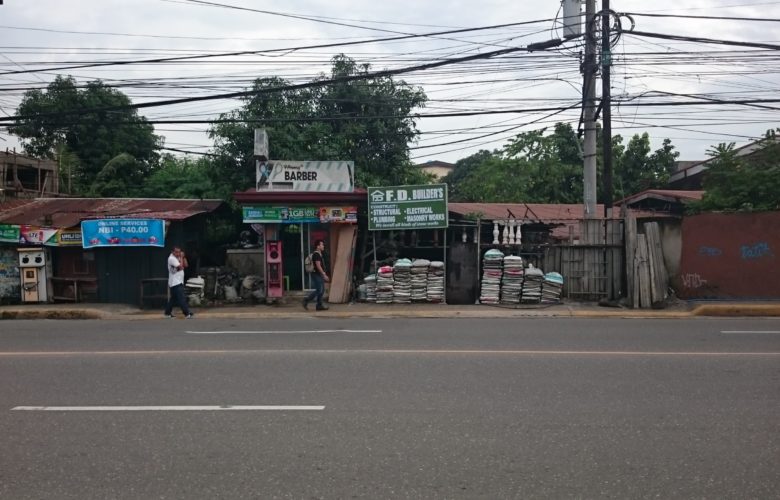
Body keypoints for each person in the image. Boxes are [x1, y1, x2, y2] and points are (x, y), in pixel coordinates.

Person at [164, 246, 193, 318]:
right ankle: (187, 313)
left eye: (179, 252)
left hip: (178, 281)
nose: (178, 253)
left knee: (173, 299)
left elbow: (186, 265)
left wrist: (183, 257)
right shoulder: (171, 258)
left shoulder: (178, 258)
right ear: (172, 252)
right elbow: (181, 267)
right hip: (175, 282)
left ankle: (167, 313)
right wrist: (181, 258)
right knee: (181, 298)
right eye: (176, 252)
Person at [303, 239, 329, 311]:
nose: (323, 246)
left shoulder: (319, 254)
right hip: (316, 274)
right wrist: (324, 274)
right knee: (319, 290)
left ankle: (319, 305)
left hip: (318, 274)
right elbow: (318, 266)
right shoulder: (316, 254)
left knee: (322, 290)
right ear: (318, 246)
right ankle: (306, 300)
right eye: (322, 244)